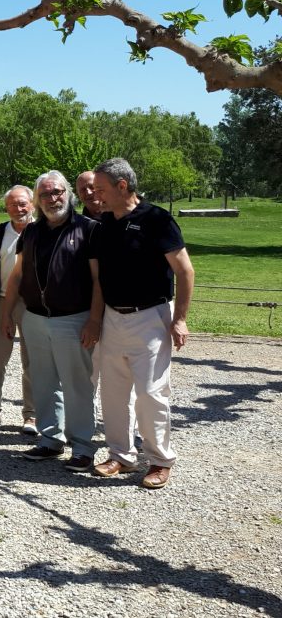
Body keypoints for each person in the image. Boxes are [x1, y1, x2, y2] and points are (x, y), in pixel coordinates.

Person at [91, 158, 194, 490]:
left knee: (150, 393)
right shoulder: (105, 224)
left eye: (101, 189)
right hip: (113, 317)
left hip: (150, 317)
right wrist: (95, 320)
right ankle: (121, 455)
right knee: (113, 392)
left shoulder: (157, 220)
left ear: (122, 186)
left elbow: (185, 271)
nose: (95, 195)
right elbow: (99, 279)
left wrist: (180, 319)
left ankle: (160, 460)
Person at [2, 172, 102, 472]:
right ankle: (50, 439)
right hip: (34, 317)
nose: (52, 199)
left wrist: (94, 320)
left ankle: (82, 446)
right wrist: (7, 313)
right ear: (37, 200)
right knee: (43, 381)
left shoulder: (88, 229)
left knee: (76, 384)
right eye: (45, 194)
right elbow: (18, 274)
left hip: (73, 319)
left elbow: (99, 280)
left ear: (67, 193)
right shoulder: (32, 232)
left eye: (57, 192)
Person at [0, 185, 36, 435]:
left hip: (33, 304)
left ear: (32, 204)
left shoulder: (43, 231)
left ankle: (31, 415)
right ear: (6, 208)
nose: (18, 209)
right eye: (13, 204)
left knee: (32, 361)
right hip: (1, 301)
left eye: (22, 203)